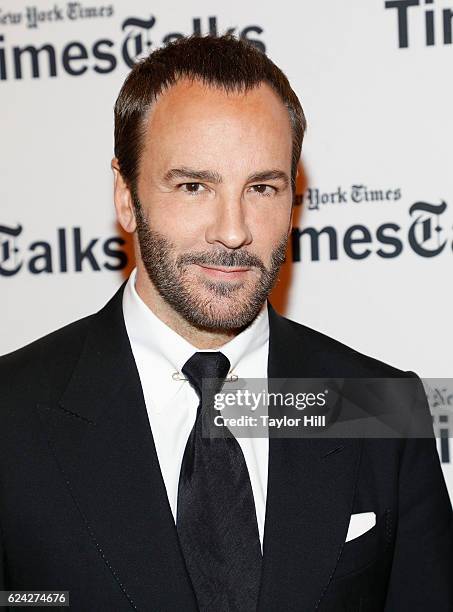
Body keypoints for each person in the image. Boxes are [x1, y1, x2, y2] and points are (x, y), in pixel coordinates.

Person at [0, 34, 451, 612]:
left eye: (261, 188)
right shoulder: (11, 416)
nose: (233, 231)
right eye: (194, 186)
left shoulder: (375, 406)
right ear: (125, 197)